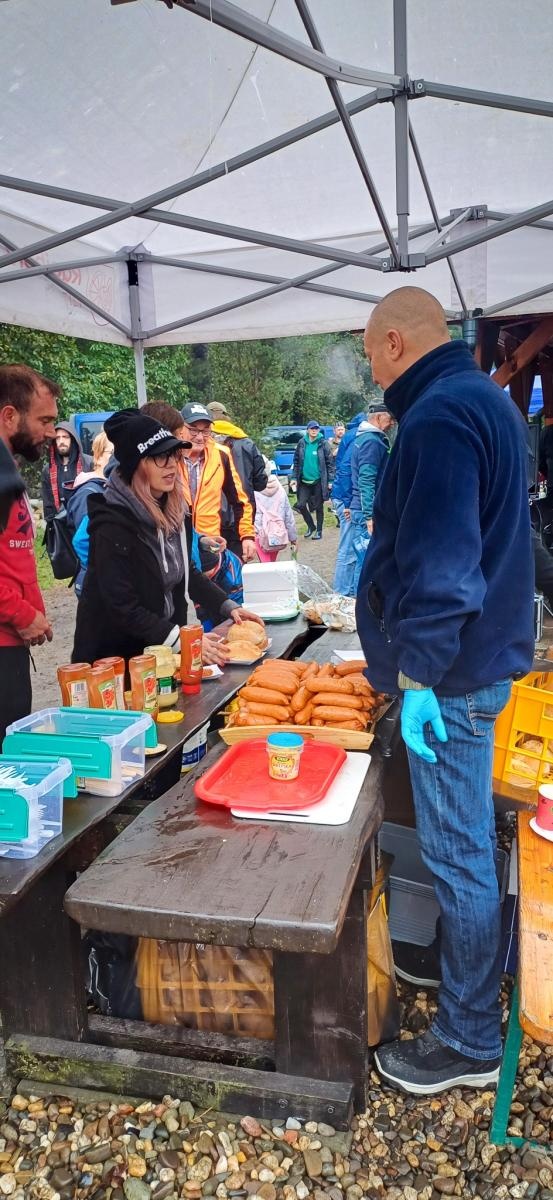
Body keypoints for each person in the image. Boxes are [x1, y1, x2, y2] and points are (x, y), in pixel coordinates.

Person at [356, 286, 534, 1095]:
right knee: (465, 846)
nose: (371, 370)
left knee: (457, 853)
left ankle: (466, 1039)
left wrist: (418, 674)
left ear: (395, 342)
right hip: (477, 666)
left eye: (368, 355)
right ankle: (463, 979)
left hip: (452, 680)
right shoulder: (485, 402)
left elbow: (442, 563)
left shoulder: (436, 417)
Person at [72, 410, 263, 668]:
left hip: (161, 652)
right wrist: (181, 640)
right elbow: (122, 606)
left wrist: (227, 607)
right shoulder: (111, 524)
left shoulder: (175, 512)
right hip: (114, 660)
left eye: (174, 455)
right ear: (136, 465)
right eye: (161, 457)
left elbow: (187, 573)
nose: (172, 464)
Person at [0, 365, 58, 739]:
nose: (52, 433)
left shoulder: (9, 469)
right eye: (45, 420)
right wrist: (22, 613)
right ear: (9, 416)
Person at [180, 403, 256, 562]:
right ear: (181, 429)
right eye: (193, 429)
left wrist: (247, 536)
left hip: (211, 542)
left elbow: (241, 501)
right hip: (177, 543)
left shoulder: (221, 455)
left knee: (214, 584)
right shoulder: (169, 455)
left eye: (206, 430)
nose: (200, 437)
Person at [349, 405, 394, 592]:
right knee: (365, 560)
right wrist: (369, 515)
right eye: (389, 418)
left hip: (358, 507)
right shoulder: (372, 442)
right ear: (378, 417)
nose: (392, 423)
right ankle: (360, 603)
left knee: (361, 558)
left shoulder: (362, 438)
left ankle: (355, 598)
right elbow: (366, 479)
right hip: (365, 510)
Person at [66, 431, 115, 597]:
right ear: (99, 457)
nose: (118, 458)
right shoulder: (88, 493)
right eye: (112, 453)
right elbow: (84, 542)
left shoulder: (109, 488)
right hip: (94, 582)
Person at [331, 410, 368, 595]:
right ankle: (341, 594)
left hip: (346, 497)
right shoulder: (358, 437)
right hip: (347, 499)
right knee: (348, 550)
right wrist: (348, 503)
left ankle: (349, 592)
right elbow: (346, 470)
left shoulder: (352, 434)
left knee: (352, 549)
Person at [208, 403, 267, 509]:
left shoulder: (202, 442)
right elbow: (260, 483)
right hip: (244, 509)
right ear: (227, 417)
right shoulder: (247, 443)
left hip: (210, 511)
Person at [41, 420, 92, 521]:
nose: (61, 441)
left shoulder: (89, 463)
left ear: (72, 439)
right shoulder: (48, 470)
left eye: (65, 437)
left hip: (84, 520)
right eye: (58, 438)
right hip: (60, 524)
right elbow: (48, 504)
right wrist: (52, 526)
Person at [292, 420, 332, 541]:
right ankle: (311, 526)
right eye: (312, 428)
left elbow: (330, 463)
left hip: (319, 480)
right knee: (300, 505)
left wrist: (331, 480)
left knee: (319, 506)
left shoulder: (323, 443)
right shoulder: (302, 443)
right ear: (308, 430)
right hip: (304, 480)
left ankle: (319, 531)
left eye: (316, 428)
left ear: (318, 430)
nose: (314, 430)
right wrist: (294, 477)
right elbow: (296, 461)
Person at [254, 459, 298, 563]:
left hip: (259, 533)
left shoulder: (253, 490)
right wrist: (293, 538)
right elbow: (288, 515)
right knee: (272, 562)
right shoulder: (280, 489)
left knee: (266, 564)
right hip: (278, 533)